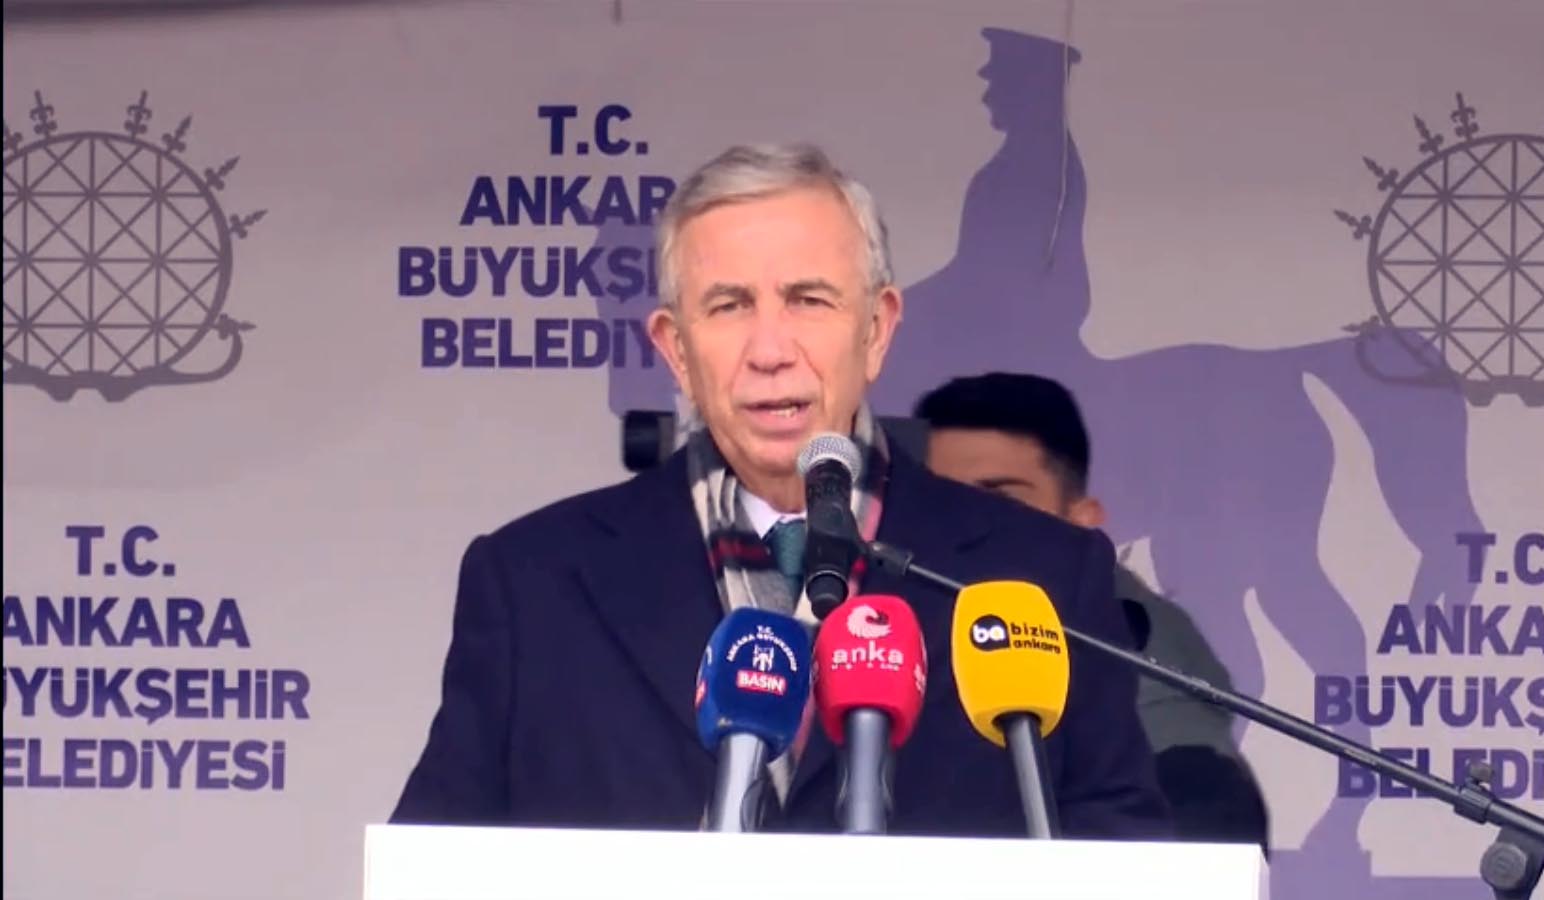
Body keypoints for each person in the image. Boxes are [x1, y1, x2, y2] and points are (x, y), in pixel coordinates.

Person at [391, 144, 1171, 838]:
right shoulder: (532, 583)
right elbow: (424, 869)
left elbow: (1132, 862)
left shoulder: (1041, 579)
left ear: (876, 329)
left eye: (808, 299)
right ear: (675, 349)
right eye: (729, 305)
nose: (769, 349)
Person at [915, 371, 1270, 851]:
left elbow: (1197, 840)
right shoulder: (877, 627)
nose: (967, 527)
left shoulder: (1141, 656)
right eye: (940, 502)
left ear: (1080, 523)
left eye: (998, 502)